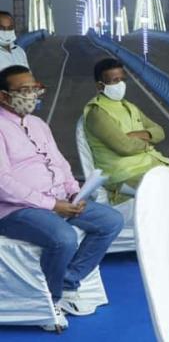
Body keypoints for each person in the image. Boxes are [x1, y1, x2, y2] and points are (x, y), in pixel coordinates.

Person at [0, 65, 123, 331]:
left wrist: (72, 192)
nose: (32, 95)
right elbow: (3, 184)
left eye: (34, 89)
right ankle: (51, 301)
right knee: (63, 238)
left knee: (111, 221)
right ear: (3, 96)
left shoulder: (38, 124)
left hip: (58, 200)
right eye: (24, 90)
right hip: (15, 211)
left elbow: (60, 162)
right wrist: (53, 205)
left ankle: (67, 282)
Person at [83, 58, 169, 204]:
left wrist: (138, 135)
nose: (120, 84)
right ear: (100, 86)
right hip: (123, 175)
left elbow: (159, 131)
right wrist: (147, 144)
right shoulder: (97, 113)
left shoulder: (129, 106)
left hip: (152, 166)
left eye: (122, 79)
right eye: (114, 81)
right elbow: (124, 147)